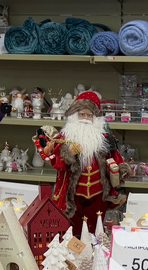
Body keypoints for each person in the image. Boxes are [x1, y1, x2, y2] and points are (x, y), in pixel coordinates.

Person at [36, 91, 126, 233]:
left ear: (95, 118)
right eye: (82, 114)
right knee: (73, 228)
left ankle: (94, 245)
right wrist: (68, 153)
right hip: (73, 194)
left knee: (95, 227)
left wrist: (122, 169)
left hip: (98, 194)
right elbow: (58, 164)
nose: (85, 119)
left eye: (89, 115)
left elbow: (115, 157)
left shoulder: (104, 138)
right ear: (74, 116)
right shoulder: (65, 138)